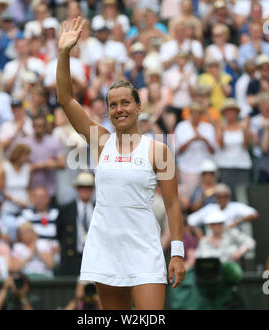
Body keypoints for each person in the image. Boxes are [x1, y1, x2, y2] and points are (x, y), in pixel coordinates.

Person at [56, 17, 185, 310]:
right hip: (106, 244)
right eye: (112, 104)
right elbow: (65, 99)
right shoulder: (101, 140)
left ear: (139, 107)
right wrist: (64, 54)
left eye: (125, 102)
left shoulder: (158, 151)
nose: (119, 109)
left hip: (144, 246)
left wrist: (176, 252)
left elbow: (173, 204)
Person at [175, 101, 216, 197]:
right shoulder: (181, 126)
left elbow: (213, 151)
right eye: (194, 112)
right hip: (187, 168)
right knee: (189, 196)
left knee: (206, 195)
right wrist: (192, 139)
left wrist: (204, 140)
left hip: (205, 168)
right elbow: (178, 151)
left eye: (198, 113)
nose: (196, 115)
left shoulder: (208, 127)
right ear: (190, 113)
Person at [57, 171, 95, 276]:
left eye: (88, 187)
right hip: (72, 258)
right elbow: (59, 233)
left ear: (93, 189)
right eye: (82, 187)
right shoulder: (66, 210)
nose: (85, 191)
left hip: (93, 258)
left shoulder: (98, 209)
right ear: (77, 189)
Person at [215, 98, 252, 191]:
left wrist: (245, 130)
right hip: (225, 166)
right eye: (228, 111)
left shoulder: (243, 126)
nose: (230, 113)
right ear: (224, 113)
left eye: (232, 110)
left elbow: (246, 145)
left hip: (242, 165)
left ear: (236, 112)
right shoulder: (220, 126)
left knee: (242, 194)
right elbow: (221, 146)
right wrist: (222, 132)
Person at [188, 183, 259, 229]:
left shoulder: (235, 206)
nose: (222, 199)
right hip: (212, 244)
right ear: (215, 198)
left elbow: (254, 214)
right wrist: (200, 235)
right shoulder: (209, 208)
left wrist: (238, 220)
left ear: (229, 197)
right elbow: (190, 220)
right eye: (219, 196)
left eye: (225, 196)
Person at [0, 144, 32, 216]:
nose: (27, 158)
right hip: (8, 208)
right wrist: (16, 201)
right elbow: (0, 190)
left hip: (24, 208)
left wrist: (29, 203)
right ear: (19, 155)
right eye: (25, 155)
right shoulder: (5, 167)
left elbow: (28, 188)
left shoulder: (28, 168)